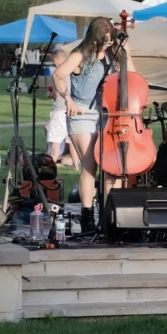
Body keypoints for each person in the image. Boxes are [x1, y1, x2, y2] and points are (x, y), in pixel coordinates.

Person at [53, 16, 137, 234]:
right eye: (105, 41)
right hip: (81, 114)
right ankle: (88, 217)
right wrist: (68, 99)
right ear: (96, 38)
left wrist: (127, 53)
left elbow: (133, 77)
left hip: (106, 116)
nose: (109, 45)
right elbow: (58, 74)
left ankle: (110, 217)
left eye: (111, 41)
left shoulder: (112, 55)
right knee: (90, 166)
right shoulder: (80, 55)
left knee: (111, 168)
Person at [46, 46, 80, 171]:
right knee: (71, 140)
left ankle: (51, 166)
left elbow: (55, 94)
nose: (53, 62)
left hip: (59, 109)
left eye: (53, 59)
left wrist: (49, 95)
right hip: (71, 109)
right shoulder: (72, 71)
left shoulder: (58, 73)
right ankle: (76, 166)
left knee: (55, 140)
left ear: (59, 58)